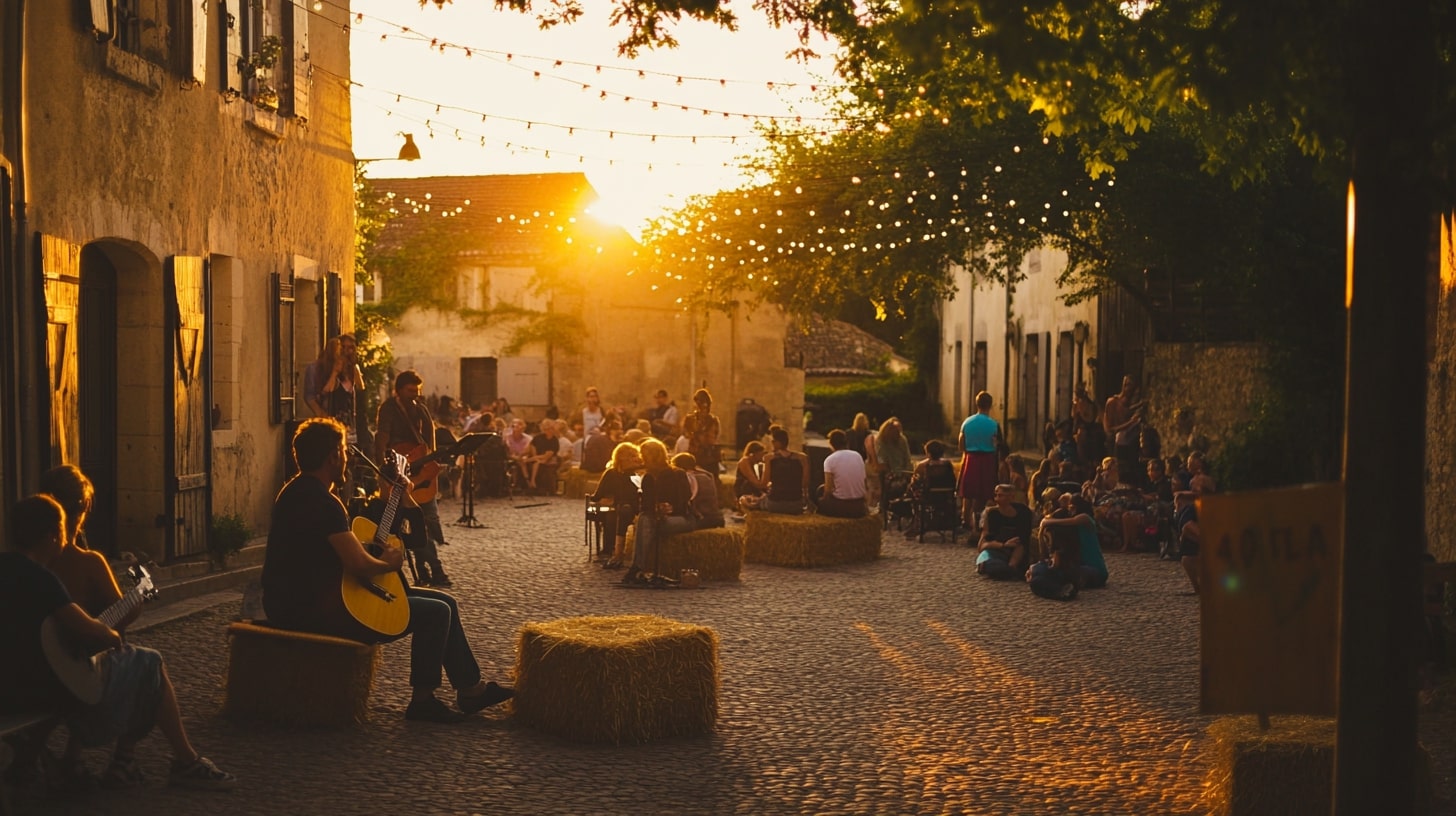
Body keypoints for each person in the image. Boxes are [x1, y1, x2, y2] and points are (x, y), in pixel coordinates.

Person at [264, 418, 513, 723]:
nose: (347, 457)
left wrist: (394, 498)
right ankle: (423, 701)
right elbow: (357, 563)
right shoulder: (321, 501)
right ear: (333, 457)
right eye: (344, 451)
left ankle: (470, 690)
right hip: (312, 608)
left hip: (303, 597)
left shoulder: (297, 492)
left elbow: (345, 550)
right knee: (436, 613)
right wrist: (390, 564)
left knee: (446, 602)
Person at [0, 494, 236, 790]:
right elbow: (92, 629)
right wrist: (112, 635)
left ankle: (75, 760)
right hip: (42, 690)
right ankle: (174, 760)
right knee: (150, 662)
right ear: (52, 535)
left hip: (8, 687)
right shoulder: (42, 579)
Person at [374, 370, 453, 587]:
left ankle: (425, 571)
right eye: (410, 391)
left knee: (427, 522)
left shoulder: (422, 410)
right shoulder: (389, 408)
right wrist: (384, 470)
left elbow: (429, 443)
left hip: (422, 473)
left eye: (417, 391)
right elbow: (382, 437)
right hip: (399, 472)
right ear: (398, 390)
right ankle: (435, 571)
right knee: (421, 524)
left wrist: (430, 465)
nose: (414, 395)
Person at [625, 439, 694, 586]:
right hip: (655, 518)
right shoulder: (648, 478)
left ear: (653, 456)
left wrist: (671, 508)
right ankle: (638, 567)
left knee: (647, 521)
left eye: (643, 456)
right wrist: (656, 508)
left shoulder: (677, 474)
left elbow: (685, 500)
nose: (641, 459)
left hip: (679, 517)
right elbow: (644, 506)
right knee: (645, 518)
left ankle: (638, 568)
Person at [1038, 494, 1111, 588]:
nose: (1070, 510)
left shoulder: (1085, 518)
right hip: (1084, 566)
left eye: (1072, 508)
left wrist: (1047, 521)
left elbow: (1071, 521)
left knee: (1072, 573)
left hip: (1095, 569)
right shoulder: (1073, 530)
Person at [591, 441, 643, 569]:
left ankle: (613, 551)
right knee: (612, 513)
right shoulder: (612, 473)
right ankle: (613, 551)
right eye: (630, 456)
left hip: (631, 507)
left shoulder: (637, 473)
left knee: (616, 513)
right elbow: (598, 495)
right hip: (622, 507)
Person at [958, 391, 1001, 531]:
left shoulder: (967, 422)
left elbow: (961, 444)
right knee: (986, 491)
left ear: (976, 404)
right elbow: (998, 445)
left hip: (971, 458)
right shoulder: (994, 424)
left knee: (968, 492)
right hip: (988, 459)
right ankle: (982, 520)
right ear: (990, 405)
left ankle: (965, 520)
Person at [975, 484, 1032, 579]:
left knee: (1015, 567)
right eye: (996, 495)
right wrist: (1003, 545)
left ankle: (1011, 571)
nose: (996, 499)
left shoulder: (1023, 512)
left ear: (1011, 497)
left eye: (1000, 496)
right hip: (994, 553)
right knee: (992, 565)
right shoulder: (991, 513)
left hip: (1016, 552)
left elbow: (1023, 541)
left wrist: (1012, 563)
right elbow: (982, 546)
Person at [817, 429, 868, 518]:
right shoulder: (858, 456)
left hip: (842, 506)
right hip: (859, 506)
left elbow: (828, 490)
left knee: (819, 495)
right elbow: (864, 482)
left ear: (831, 444)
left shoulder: (830, 460)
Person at [760, 425, 810, 515]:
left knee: (748, 500)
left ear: (776, 443)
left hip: (775, 503)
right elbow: (805, 484)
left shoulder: (769, 458)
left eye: (773, 441)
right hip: (796, 504)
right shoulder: (802, 458)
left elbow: (764, 483)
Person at [1104, 375, 1143, 483]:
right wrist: (1131, 422)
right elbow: (1110, 429)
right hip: (1117, 444)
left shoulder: (1129, 405)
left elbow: (1127, 411)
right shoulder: (1112, 402)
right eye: (1126, 385)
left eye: (1131, 386)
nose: (1128, 388)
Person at [673, 452, 725, 528]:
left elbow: (688, 504)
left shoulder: (686, 478)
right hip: (717, 517)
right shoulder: (707, 476)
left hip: (702, 519)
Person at [873, 417, 914, 512]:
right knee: (885, 482)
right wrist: (890, 472)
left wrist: (907, 472)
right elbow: (881, 458)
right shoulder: (880, 441)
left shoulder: (902, 439)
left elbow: (907, 457)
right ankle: (885, 506)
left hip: (902, 470)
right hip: (888, 471)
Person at [680, 388, 722, 475]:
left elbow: (714, 437)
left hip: (710, 457)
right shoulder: (691, 419)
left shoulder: (713, 420)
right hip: (696, 455)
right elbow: (685, 433)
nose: (704, 406)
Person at [522, 419, 559, 494]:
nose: (548, 431)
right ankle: (527, 482)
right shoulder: (538, 438)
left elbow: (548, 455)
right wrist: (530, 456)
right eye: (545, 429)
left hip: (548, 459)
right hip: (536, 457)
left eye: (549, 428)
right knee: (523, 462)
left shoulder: (554, 440)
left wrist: (533, 458)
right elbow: (532, 447)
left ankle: (533, 482)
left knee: (537, 463)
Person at [733, 440, 770, 512]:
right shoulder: (745, 461)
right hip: (743, 490)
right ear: (753, 454)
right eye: (761, 454)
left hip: (751, 489)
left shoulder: (755, 464)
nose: (762, 457)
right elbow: (757, 483)